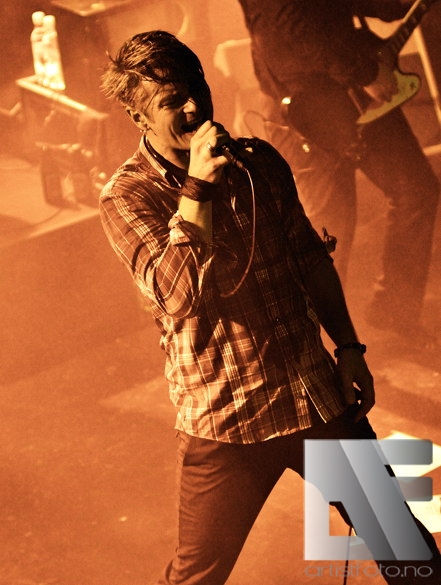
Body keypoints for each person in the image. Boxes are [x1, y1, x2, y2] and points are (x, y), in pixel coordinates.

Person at [99, 30, 440, 585]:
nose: (194, 108)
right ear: (139, 117)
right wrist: (198, 187)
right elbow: (178, 296)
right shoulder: (128, 195)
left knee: (408, 550)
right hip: (226, 421)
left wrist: (349, 347)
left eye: (197, 89)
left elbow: (309, 259)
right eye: (172, 102)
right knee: (196, 576)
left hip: (312, 398)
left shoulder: (258, 163)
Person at [237, 0, 440, 345]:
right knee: (330, 227)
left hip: (351, 84)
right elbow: (295, 28)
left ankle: (395, 313)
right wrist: (365, 72)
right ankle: (314, 344)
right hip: (306, 103)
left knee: (415, 190)